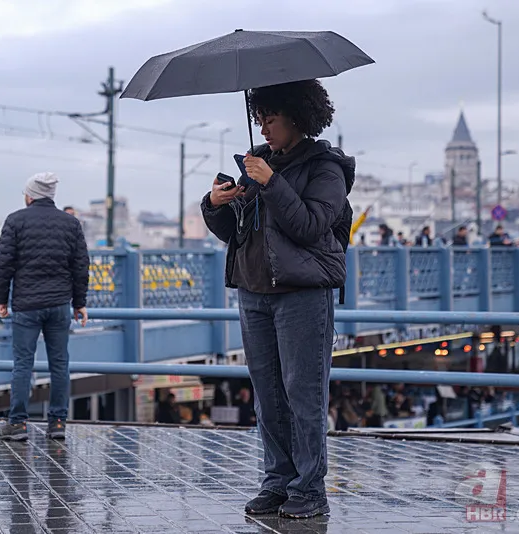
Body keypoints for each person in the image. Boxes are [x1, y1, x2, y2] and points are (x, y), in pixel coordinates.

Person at [201, 79, 353, 519]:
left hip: (301, 294)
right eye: (259, 119)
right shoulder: (260, 162)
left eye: (271, 119)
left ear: (297, 117)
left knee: (302, 395)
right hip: (254, 291)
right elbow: (238, 232)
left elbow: (309, 226)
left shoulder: (326, 169)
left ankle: (310, 489)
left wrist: (272, 184)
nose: (264, 128)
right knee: (267, 397)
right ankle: (278, 482)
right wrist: (216, 204)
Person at [0, 172, 89, 441]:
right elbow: (80, 266)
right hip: (59, 304)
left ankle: (18, 424)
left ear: (30, 195)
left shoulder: (15, 220)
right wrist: (79, 303)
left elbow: (4, 265)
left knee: (23, 364)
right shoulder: (71, 223)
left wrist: (1, 299)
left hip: (27, 304)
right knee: (60, 364)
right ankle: (57, 423)